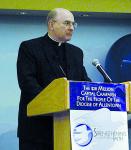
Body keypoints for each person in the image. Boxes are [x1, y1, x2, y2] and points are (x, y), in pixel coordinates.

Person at [17, 8, 91, 150]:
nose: (71, 28)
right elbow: (27, 83)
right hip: (37, 129)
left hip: (70, 129)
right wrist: (53, 103)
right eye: (67, 23)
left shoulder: (76, 52)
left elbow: (84, 82)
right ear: (51, 24)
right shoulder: (30, 47)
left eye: (73, 24)